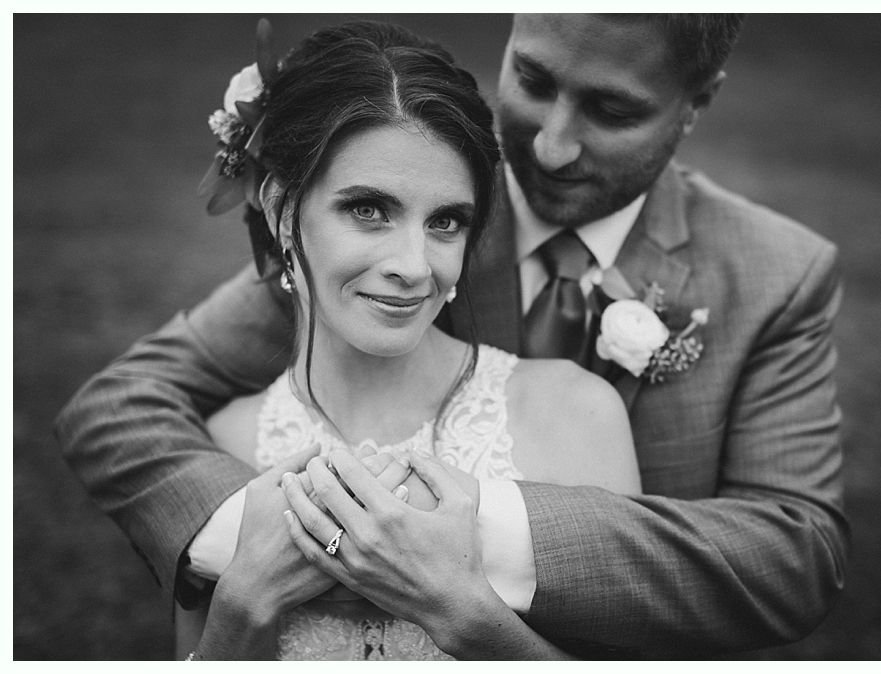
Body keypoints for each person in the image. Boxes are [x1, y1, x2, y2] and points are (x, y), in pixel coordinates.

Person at [57, 14, 849, 659]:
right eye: (534, 82)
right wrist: (255, 548)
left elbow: (796, 555)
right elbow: (121, 406)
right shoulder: (407, 182)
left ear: (695, 102)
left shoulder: (779, 274)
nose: (549, 147)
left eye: (611, 110)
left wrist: (451, 555)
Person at [161, 20, 639, 660]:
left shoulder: (576, 417)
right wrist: (244, 603)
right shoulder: (222, 449)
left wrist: (460, 612)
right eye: (369, 210)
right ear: (280, 209)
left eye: (445, 221)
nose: (415, 265)